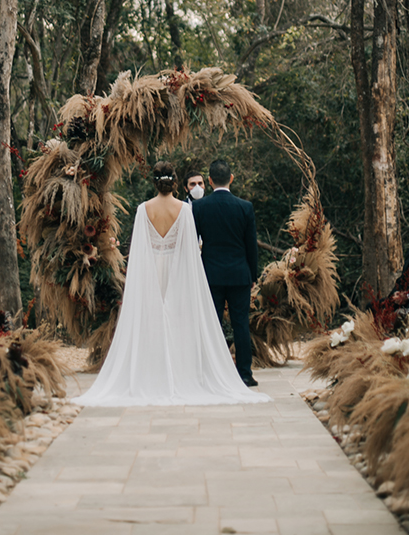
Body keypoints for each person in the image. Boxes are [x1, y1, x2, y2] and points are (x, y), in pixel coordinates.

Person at [74, 160, 270, 406]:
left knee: (152, 319)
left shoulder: (143, 209)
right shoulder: (187, 210)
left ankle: (152, 371)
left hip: (151, 270)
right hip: (182, 270)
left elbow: (139, 247)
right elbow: (191, 248)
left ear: (155, 182)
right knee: (188, 320)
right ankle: (200, 371)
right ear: (176, 183)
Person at [192, 158, 259, 387]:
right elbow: (252, 245)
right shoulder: (245, 207)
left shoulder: (199, 207)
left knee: (212, 324)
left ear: (209, 181)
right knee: (241, 323)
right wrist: (253, 275)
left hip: (210, 274)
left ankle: (212, 373)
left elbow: (193, 243)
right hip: (240, 273)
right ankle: (245, 374)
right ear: (231, 178)